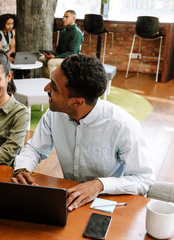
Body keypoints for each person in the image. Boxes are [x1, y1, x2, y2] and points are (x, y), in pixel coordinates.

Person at [12, 54, 155, 211]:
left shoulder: (123, 126)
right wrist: (23, 168)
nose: (46, 89)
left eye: (54, 87)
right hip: (69, 200)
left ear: (77, 101)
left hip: (108, 202)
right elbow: (34, 148)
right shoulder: (54, 114)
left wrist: (100, 184)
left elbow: (144, 180)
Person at [40, 10, 83, 78]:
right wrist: (50, 54)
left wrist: (55, 57)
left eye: (66, 17)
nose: (63, 19)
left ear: (73, 18)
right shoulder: (64, 32)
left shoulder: (76, 33)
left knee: (51, 62)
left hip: (72, 59)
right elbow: (58, 49)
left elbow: (72, 53)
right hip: (62, 57)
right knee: (42, 59)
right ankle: (48, 80)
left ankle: (54, 85)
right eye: (63, 17)